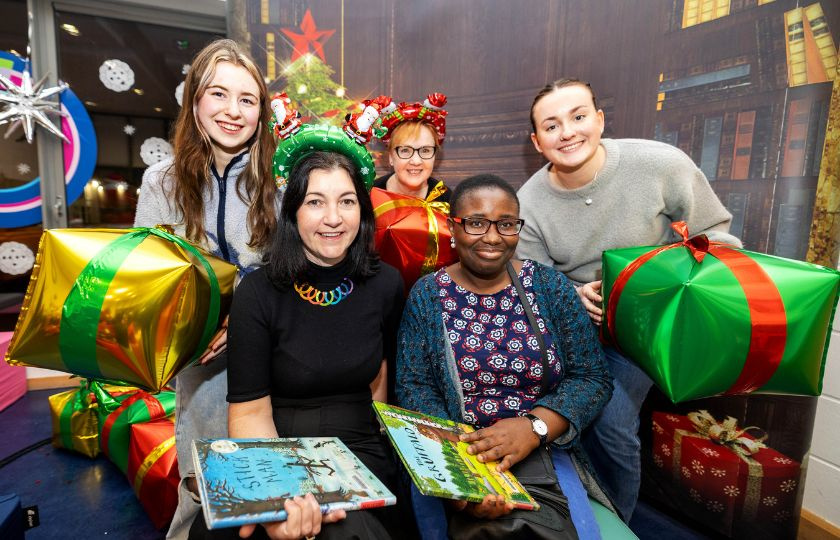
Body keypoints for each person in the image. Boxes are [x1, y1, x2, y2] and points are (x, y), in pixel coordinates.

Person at [516, 78, 742, 522]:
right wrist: (572, 294)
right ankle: (564, 509)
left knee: (611, 416)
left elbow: (718, 238)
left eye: (578, 117)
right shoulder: (528, 202)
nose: (567, 132)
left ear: (599, 120)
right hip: (577, 328)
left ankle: (615, 522)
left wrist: (663, 279)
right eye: (551, 125)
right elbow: (534, 283)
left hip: (649, 327)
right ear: (537, 142)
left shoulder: (659, 163)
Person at [397, 174, 632, 539]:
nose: (492, 237)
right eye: (476, 223)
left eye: (506, 224)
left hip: (544, 451)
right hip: (459, 452)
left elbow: (592, 378)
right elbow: (415, 387)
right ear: (452, 227)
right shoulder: (427, 295)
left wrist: (533, 427)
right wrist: (462, 476)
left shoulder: (550, 287)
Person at [188, 150, 405, 540]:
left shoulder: (387, 284)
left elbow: (383, 379)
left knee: (344, 530)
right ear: (292, 213)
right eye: (315, 202)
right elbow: (251, 412)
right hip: (274, 444)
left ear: (363, 210)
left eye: (347, 201)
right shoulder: (258, 292)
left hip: (358, 448)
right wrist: (279, 494)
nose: (333, 218)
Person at [133, 39, 280, 539]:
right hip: (200, 358)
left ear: (261, 111)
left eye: (247, 99)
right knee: (203, 485)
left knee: (271, 482)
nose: (232, 111)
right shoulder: (161, 182)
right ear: (194, 100)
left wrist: (245, 317)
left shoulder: (278, 182)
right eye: (218, 94)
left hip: (274, 351)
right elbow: (147, 278)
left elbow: (295, 272)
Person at [374, 93, 451, 203]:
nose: (416, 161)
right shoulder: (369, 198)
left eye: (425, 150)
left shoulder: (447, 200)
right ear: (391, 156)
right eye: (405, 150)